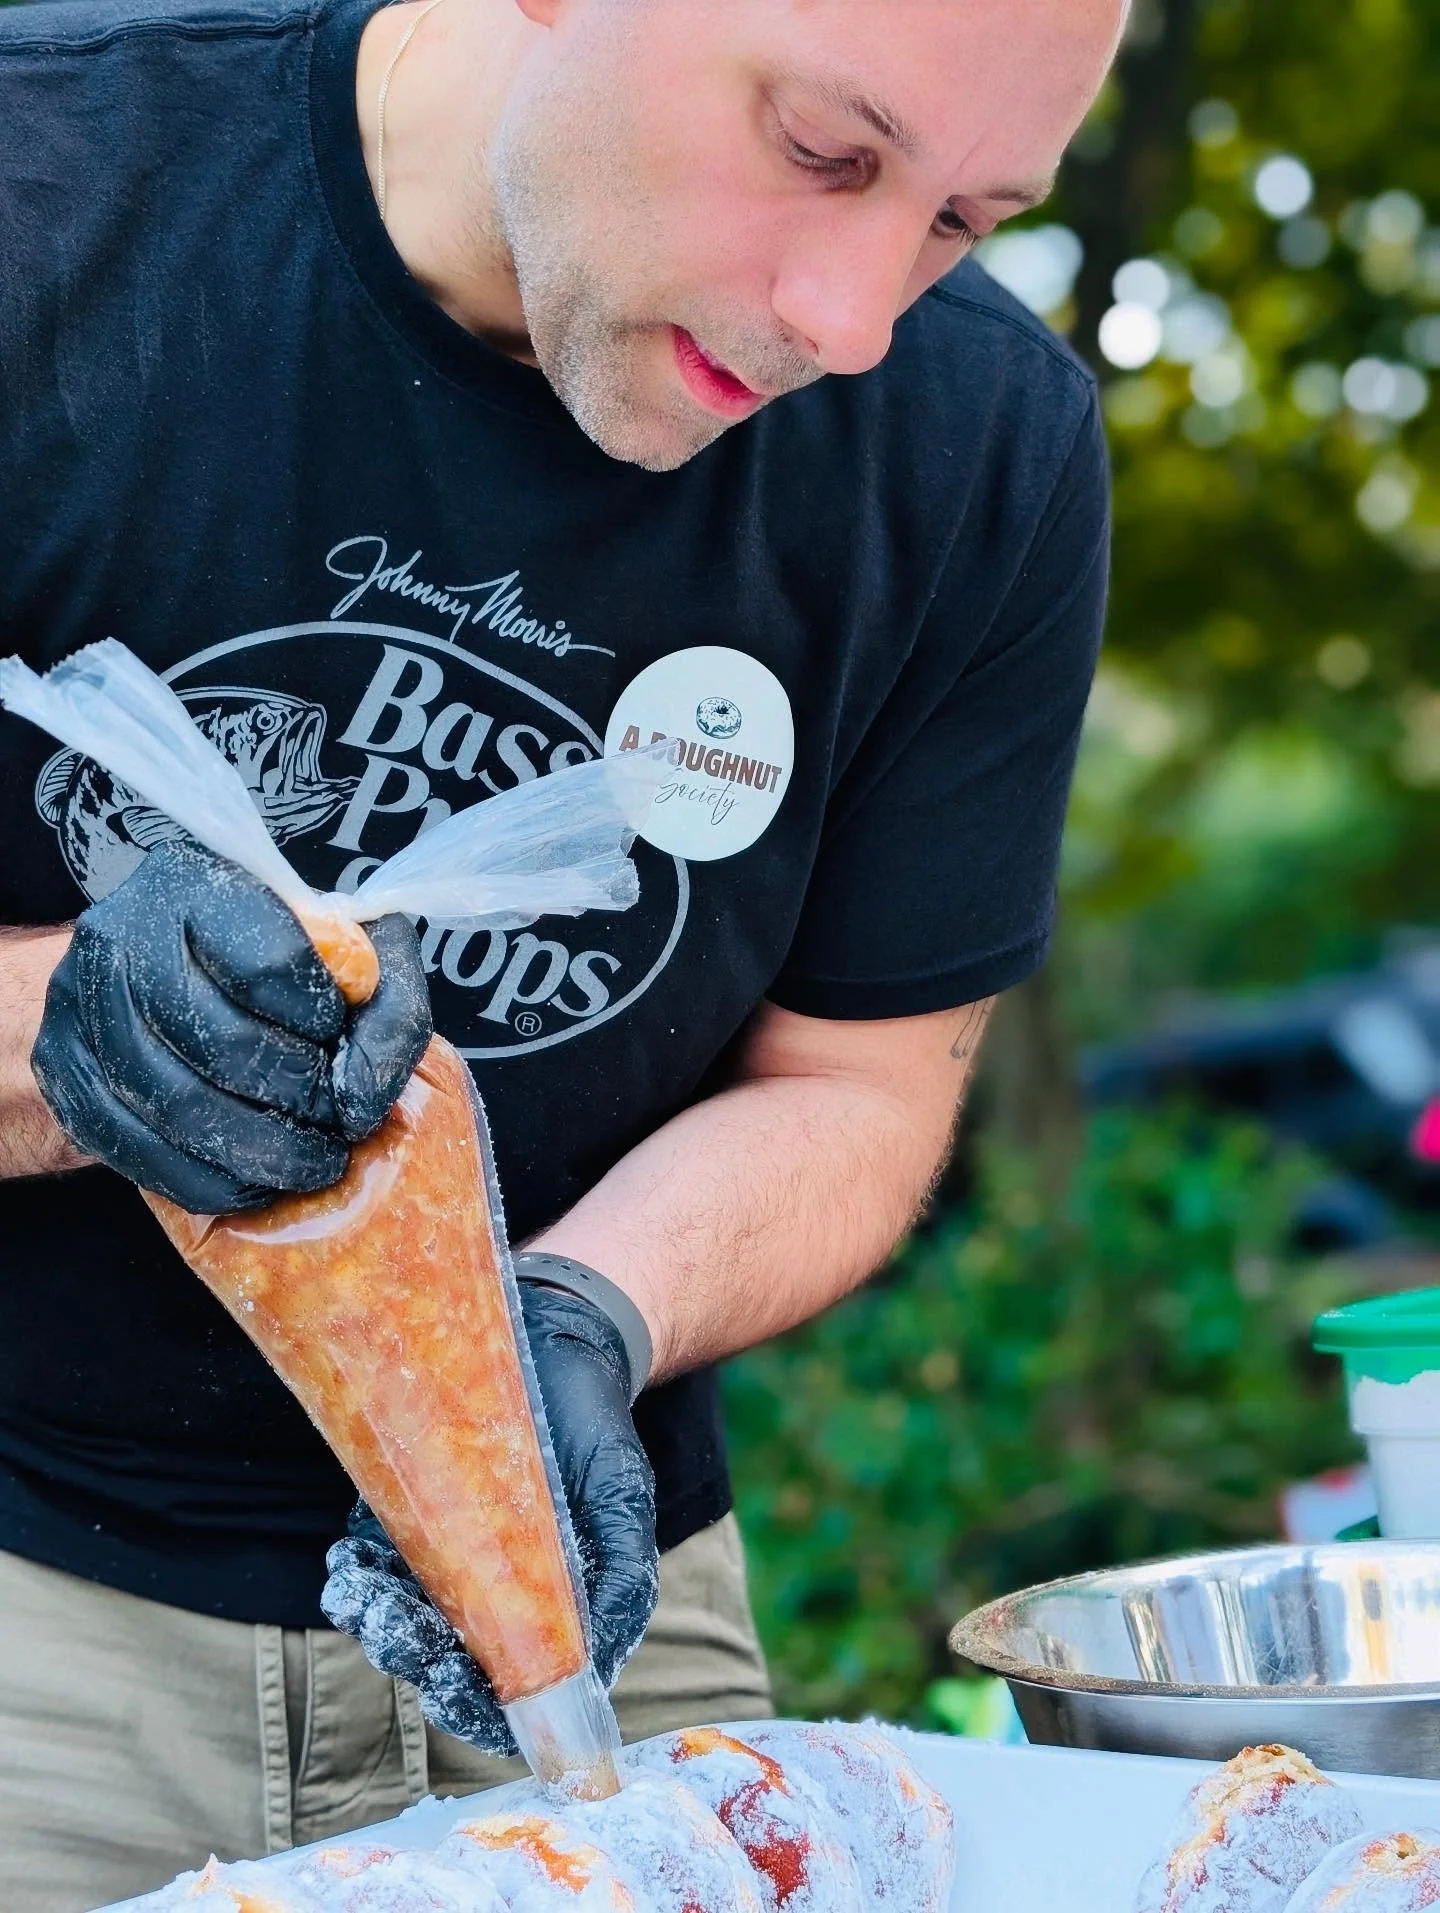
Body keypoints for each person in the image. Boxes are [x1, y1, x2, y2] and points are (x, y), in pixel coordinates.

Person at [0, 0, 1125, 1901]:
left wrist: (586, 1319)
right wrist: (72, 1034)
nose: (849, 323)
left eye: (959, 218)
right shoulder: (52, 195)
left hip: (609, 1618)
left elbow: (856, 1087)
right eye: (824, 151)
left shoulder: (983, 447)